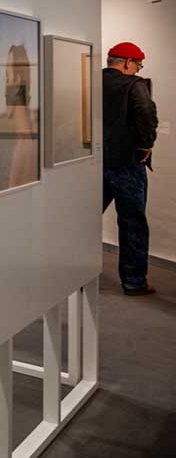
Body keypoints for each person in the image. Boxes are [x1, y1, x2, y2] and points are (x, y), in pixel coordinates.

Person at [102, 42, 158, 296]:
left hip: (94, 163)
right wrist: (146, 145)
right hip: (127, 164)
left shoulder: (92, 81)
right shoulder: (135, 84)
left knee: (81, 219)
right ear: (126, 62)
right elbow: (145, 111)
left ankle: (74, 276)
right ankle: (134, 281)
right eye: (137, 64)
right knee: (132, 223)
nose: (137, 69)